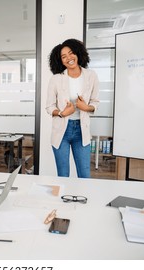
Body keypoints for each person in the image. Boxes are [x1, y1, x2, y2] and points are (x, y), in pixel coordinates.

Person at [45, 39, 99, 178]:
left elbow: (95, 101)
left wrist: (86, 107)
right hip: (61, 132)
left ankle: (83, 199)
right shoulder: (56, 79)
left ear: (78, 53)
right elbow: (49, 107)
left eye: (71, 53)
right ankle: (64, 200)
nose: (69, 58)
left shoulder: (91, 76)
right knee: (63, 175)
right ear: (60, 61)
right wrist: (63, 113)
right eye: (64, 56)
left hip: (82, 131)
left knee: (84, 175)